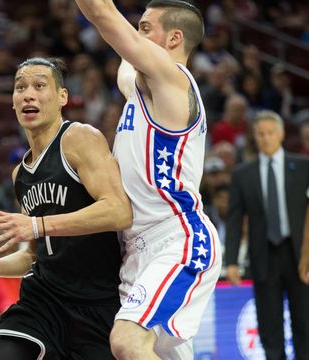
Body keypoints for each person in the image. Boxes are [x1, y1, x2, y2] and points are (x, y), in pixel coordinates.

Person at [0, 57, 132, 360]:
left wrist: (37, 225)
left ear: (62, 97)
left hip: (97, 302)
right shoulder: (20, 175)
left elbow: (119, 211)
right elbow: (33, 255)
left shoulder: (79, 138)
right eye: (20, 87)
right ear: (13, 103)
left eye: (40, 85)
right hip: (42, 301)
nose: (28, 94)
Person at [74, 1, 222, 358]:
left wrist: (109, 17)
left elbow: (101, 14)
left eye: (144, 28)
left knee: (126, 341)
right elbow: (124, 64)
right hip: (136, 250)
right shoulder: (141, 89)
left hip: (176, 239)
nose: (135, 35)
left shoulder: (173, 79)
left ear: (174, 38)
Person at [225, 110, 309, 359]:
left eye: (270, 133)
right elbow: (234, 219)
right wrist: (231, 261)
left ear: (281, 134)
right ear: (254, 137)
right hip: (263, 256)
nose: (266, 138)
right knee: (269, 327)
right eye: (260, 134)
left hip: (299, 257)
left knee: (304, 322)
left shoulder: (304, 167)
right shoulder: (243, 174)